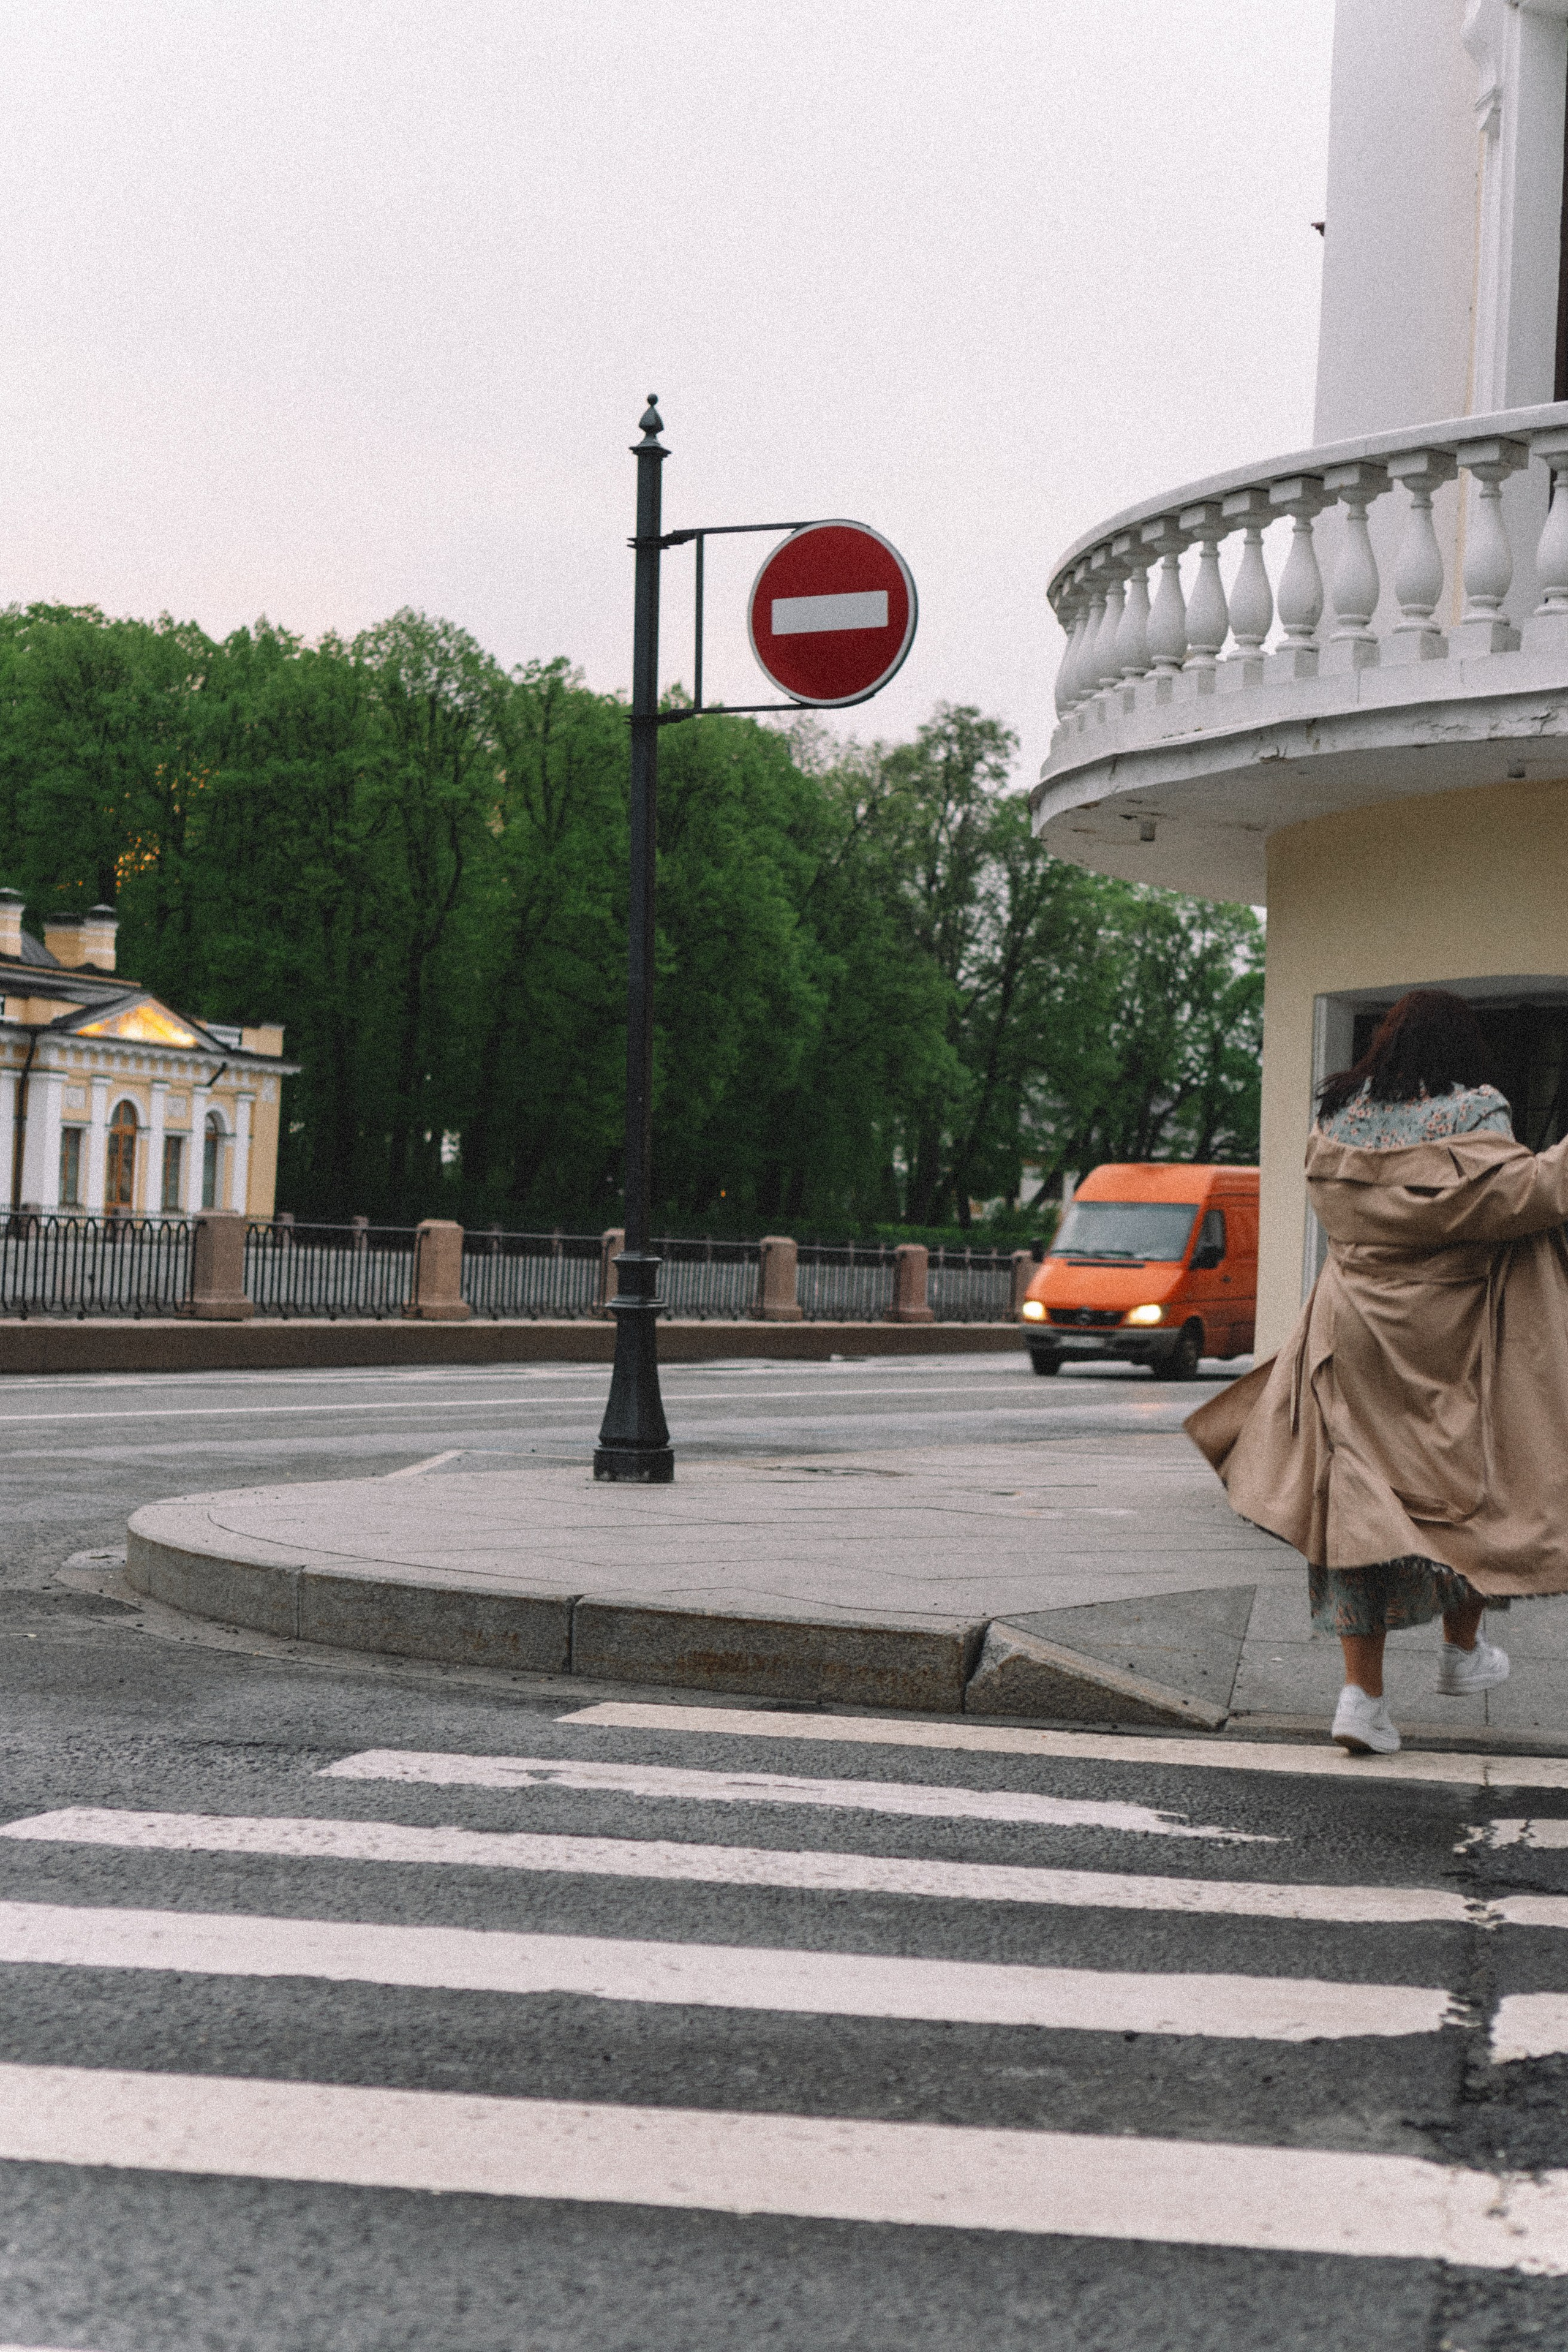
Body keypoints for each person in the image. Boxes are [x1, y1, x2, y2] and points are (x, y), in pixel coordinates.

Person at [1187, 988, 1568, 1755]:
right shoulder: (1478, 1110)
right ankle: (1462, 1653)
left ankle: (1361, 1699)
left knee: (1352, 1511)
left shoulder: (1336, 1121)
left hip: (1352, 1336)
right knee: (1472, 1490)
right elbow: (1512, 1200)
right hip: (1453, 1337)